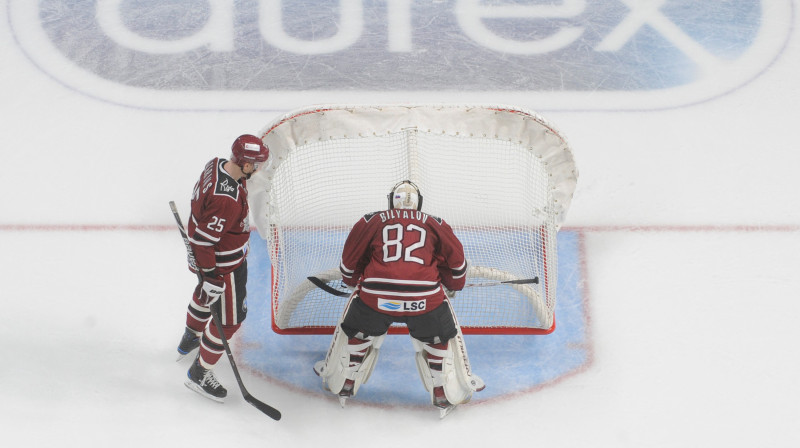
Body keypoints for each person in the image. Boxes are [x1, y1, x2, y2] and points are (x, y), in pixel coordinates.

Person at [313, 180, 485, 418]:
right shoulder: (436, 223)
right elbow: (457, 266)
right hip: (424, 302)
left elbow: (348, 264)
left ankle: (347, 382)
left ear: (390, 200)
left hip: (376, 299)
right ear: (419, 204)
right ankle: (441, 391)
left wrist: (354, 282)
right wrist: (452, 285)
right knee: (439, 336)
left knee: (358, 328)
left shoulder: (370, 220)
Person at [176, 134, 269, 402]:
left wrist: (202, 271)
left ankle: (190, 338)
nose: (259, 168)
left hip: (206, 257)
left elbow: (201, 232)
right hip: (224, 267)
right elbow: (206, 239)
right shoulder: (225, 200)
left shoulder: (215, 164)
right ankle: (200, 373)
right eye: (257, 164)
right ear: (247, 165)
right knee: (229, 322)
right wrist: (212, 277)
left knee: (205, 299)